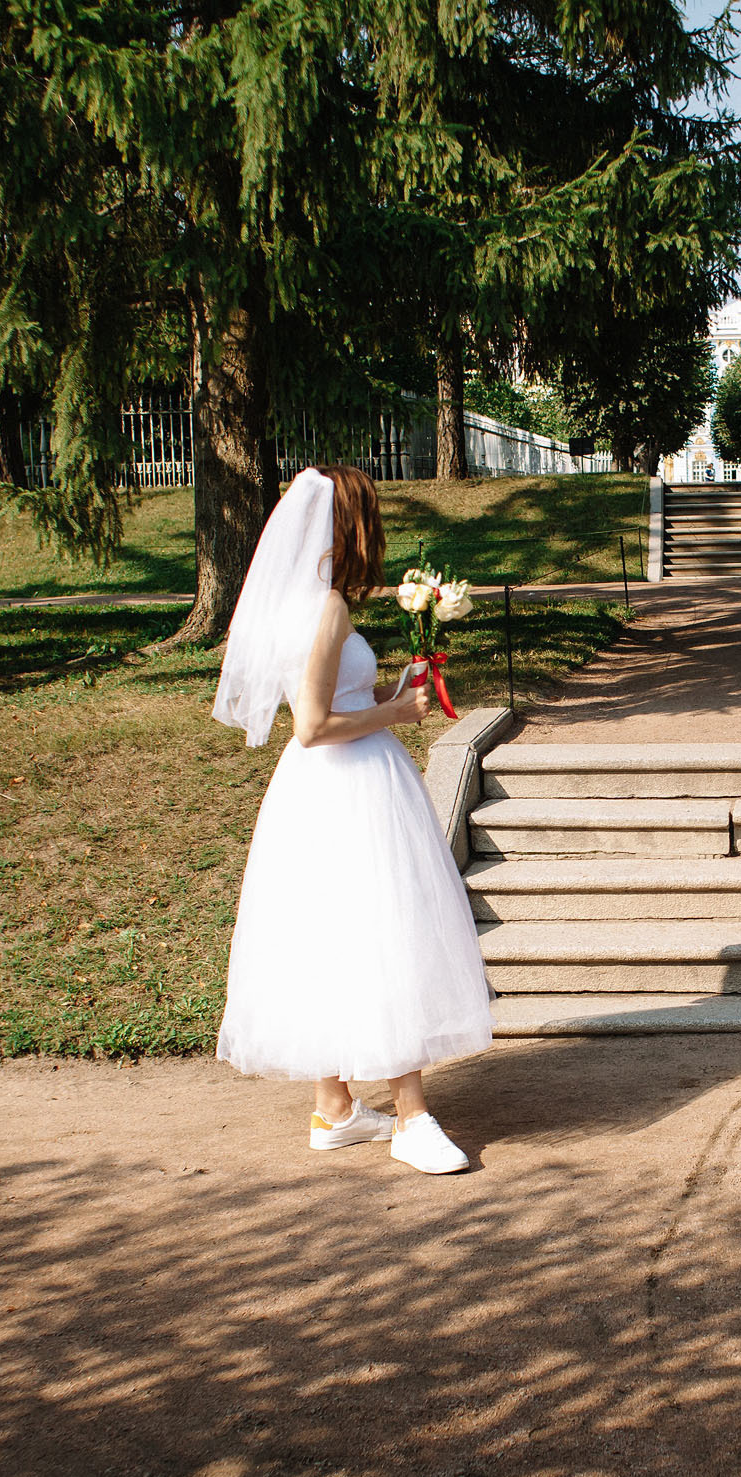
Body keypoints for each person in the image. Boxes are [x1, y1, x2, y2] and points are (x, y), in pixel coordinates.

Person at [210, 465, 487, 1175]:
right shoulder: (327, 608)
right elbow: (310, 724)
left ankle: (334, 1108)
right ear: (352, 527)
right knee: (387, 929)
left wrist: (387, 690)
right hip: (352, 784)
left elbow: (324, 700)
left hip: (312, 794)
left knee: (329, 935)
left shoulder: (293, 604)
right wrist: (397, 712)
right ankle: (411, 1116)